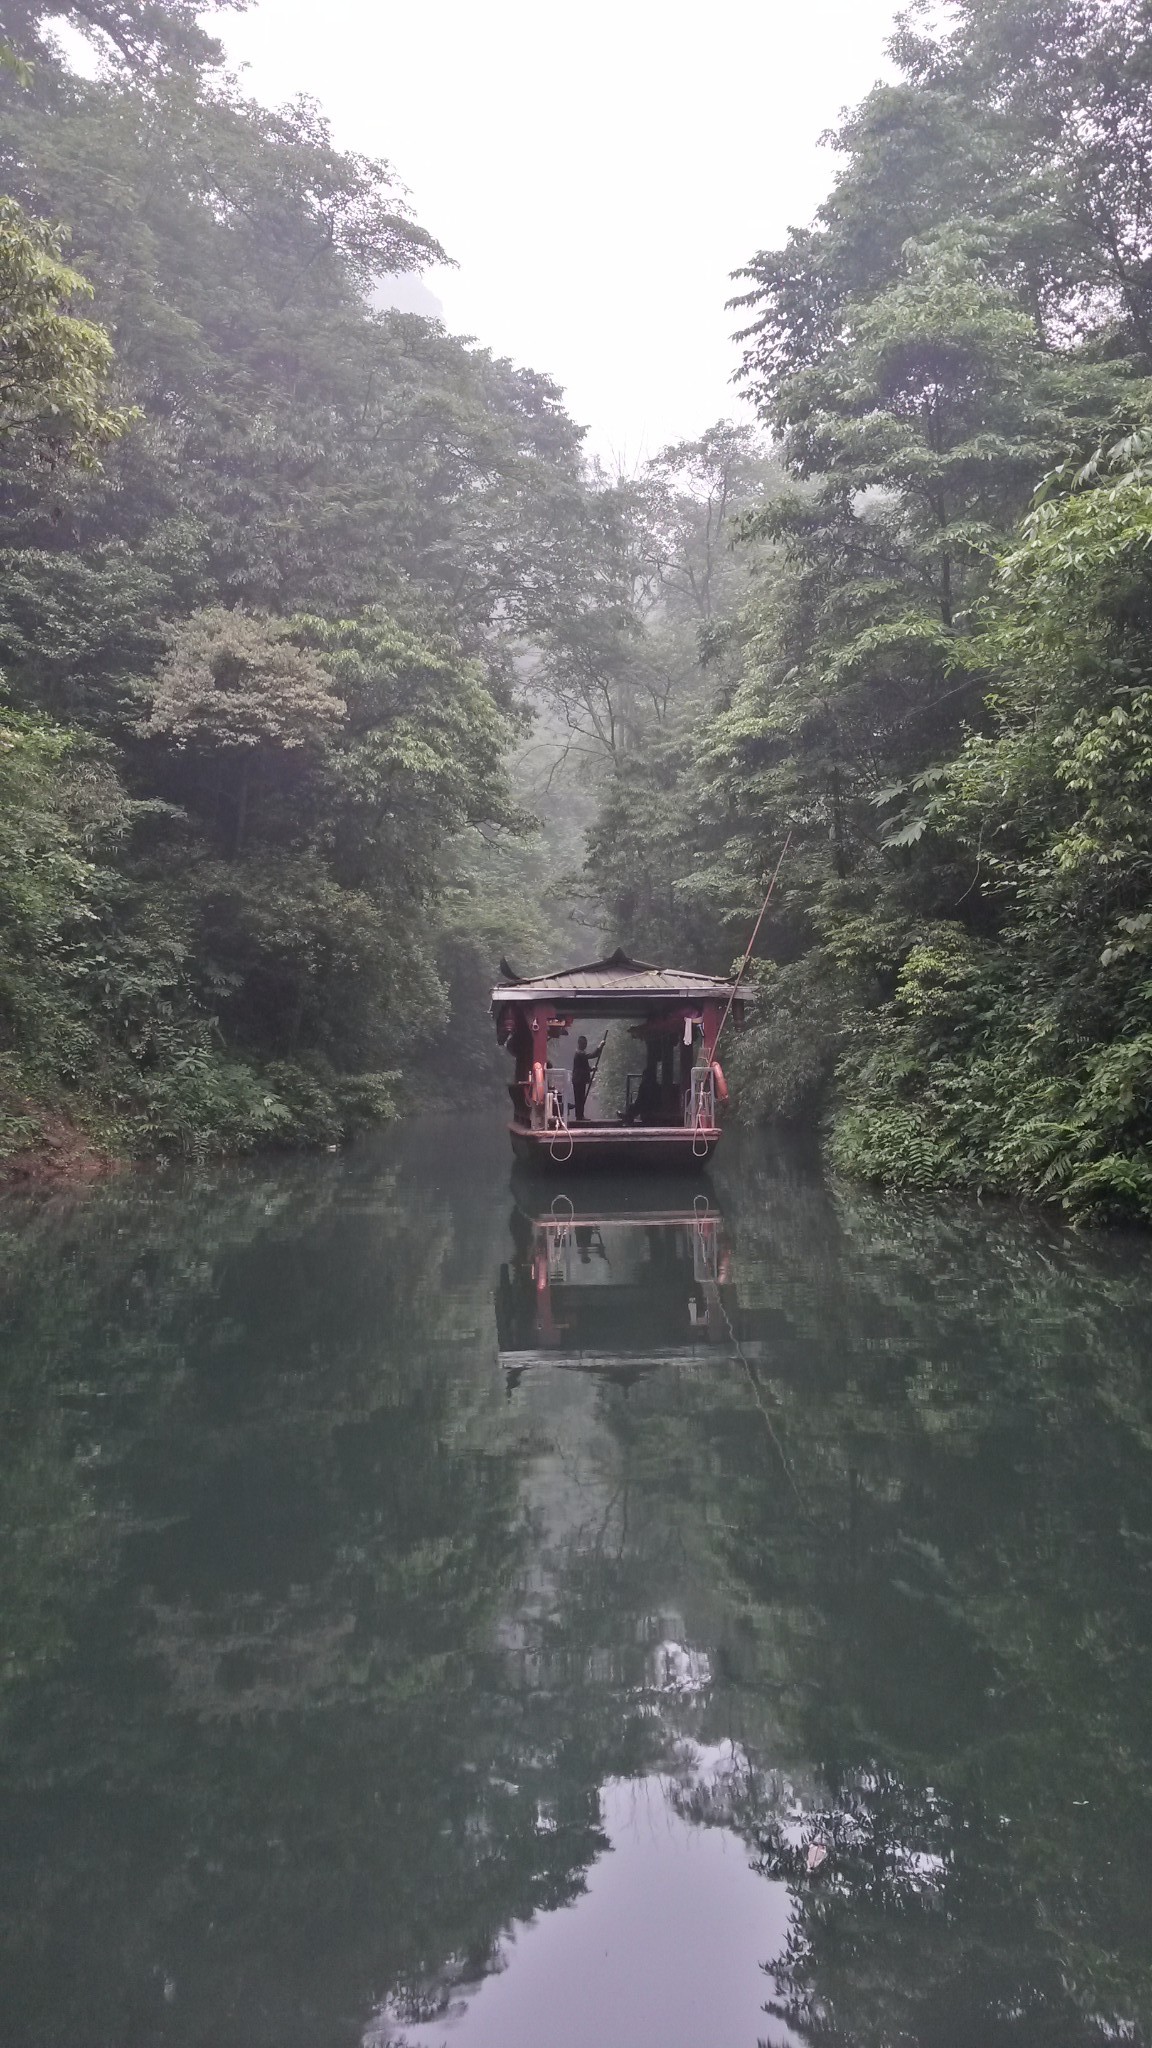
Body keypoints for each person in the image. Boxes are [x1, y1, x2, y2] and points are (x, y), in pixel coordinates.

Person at [571, 1031, 606, 1122]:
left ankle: (580, 1115)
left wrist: (591, 1069)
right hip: (578, 1080)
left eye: (586, 1043)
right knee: (579, 1098)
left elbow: (583, 1066)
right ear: (580, 1043)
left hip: (579, 1079)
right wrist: (600, 1046)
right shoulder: (579, 1053)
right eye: (584, 1043)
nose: (585, 1045)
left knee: (580, 1098)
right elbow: (593, 1055)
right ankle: (579, 1116)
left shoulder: (581, 1053)